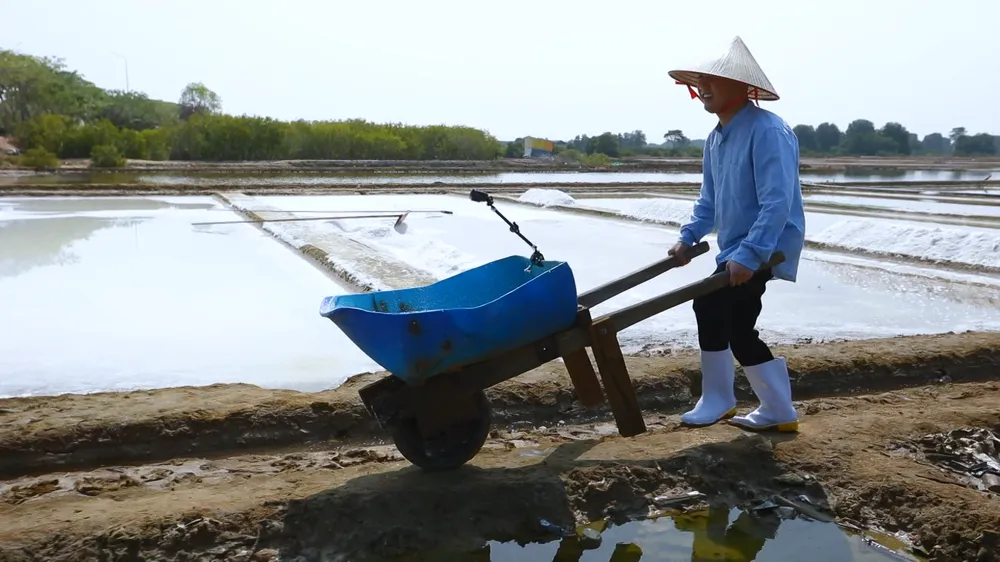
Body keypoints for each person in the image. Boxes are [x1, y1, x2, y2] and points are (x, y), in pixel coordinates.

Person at [665, 37, 805, 432]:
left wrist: (750, 254)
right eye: (701, 82)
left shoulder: (768, 131)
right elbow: (709, 200)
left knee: (710, 307)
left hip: (766, 245)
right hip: (737, 248)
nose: (704, 88)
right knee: (738, 326)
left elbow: (777, 201)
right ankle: (777, 411)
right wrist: (688, 237)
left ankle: (719, 398)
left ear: (743, 87)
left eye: (713, 81)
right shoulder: (716, 137)